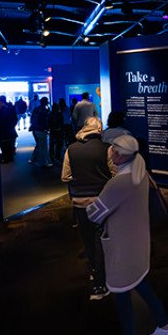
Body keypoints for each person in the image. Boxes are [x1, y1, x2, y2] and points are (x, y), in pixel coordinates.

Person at [86, 135, 168, 335]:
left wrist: (89, 203)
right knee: (141, 285)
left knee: (122, 293)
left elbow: (94, 214)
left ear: (118, 153)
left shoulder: (118, 182)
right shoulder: (140, 173)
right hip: (138, 243)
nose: (111, 154)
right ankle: (165, 328)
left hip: (122, 247)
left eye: (114, 150)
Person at [61, 117, 112, 301]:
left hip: (79, 201)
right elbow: (115, 174)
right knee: (101, 238)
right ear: (99, 129)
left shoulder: (71, 149)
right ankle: (99, 283)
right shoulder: (107, 148)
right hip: (101, 200)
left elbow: (65, 177)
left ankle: (93, 270)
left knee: (87, 237)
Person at [29, 96, 53, 167]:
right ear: (46, 102)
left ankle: (33, 159)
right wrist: (48, 128)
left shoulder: (36, 109)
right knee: (43, 147)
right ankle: (44, 162)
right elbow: (47, 121)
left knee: (38, 145)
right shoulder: (46, 110)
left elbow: (32, 118)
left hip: (34, 129)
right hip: (41, 130)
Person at [0, 96, 18, 163]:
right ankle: (10, 157)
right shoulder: (11, 108)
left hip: (4, 131)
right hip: (10, 130)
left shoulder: (1, 110)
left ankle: (6, 158)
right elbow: (15, 119)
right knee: (9, 144)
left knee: (4, 145)